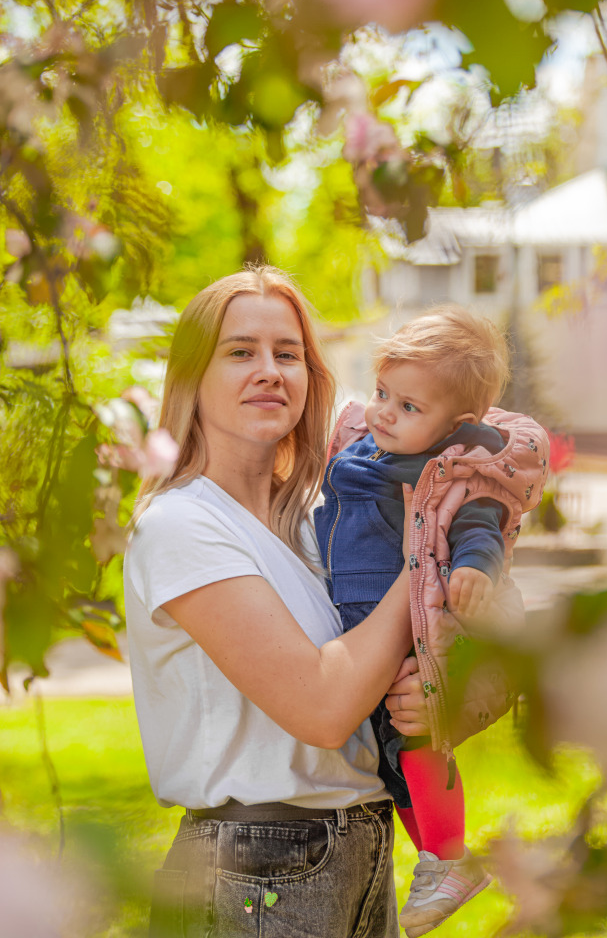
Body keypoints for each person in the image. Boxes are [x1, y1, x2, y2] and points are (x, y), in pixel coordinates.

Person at [123, 265, 428, 938]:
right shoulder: (180, 526)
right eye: (240, 352)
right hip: (255, 876)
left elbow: (396, 664)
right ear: (192, 381)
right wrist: (422, 554)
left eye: (287, 354)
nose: (269, 370)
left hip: (359, 852)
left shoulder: (319, 527)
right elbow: (322, 707)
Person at [314, 305, 548, 938]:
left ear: (457, 427)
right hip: (358, 634)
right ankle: (439, 860)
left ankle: (447, 857)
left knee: (415, 742)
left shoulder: (452, 477)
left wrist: (475, 572)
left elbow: (479, 531)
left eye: (409, 407)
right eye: (383, 393)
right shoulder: (364, 450)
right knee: (395, 761)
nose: (385, 412)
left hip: (408, 642)